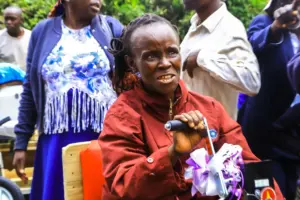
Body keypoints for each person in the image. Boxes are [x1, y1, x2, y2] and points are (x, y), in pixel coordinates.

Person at [98, 14, 283, 199]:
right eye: (151, 56)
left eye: (171, 52)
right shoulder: (123, 115)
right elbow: (123, 186)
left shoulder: (209, 108)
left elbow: (249, 166)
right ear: (132, 63)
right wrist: (172, 153)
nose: (165, 63)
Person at [12, 0, 123, 199]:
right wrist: (21, 143)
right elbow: (30, 87)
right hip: (55, 141)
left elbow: (133, 78)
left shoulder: (111, 28)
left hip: (105, 138)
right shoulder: (42, 32)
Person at [238, 0, 300, 197]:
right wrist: (275, 26)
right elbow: (250, 48)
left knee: (289, 185)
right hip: (266, 127)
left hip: (291, 129)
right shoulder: (263, 22)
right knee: (267, 187)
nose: (288, 5)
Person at [180, 0, 261, 120]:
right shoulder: (196, 24)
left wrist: (202, 59)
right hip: (190, 129)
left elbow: (252, 81)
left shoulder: (230, 28)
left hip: (215, 133)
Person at [0, 6, 31, 71]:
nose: (8, 22)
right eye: (6, 19)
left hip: (28, 79)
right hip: (7, 79)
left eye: (12, 19)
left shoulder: (31, 37)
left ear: (21, 20)